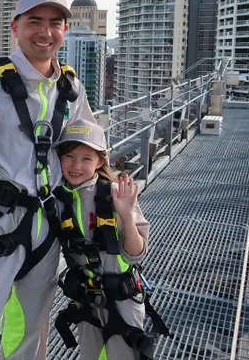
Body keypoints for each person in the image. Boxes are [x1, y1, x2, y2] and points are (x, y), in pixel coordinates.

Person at [0, 0, 97, 359]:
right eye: (34, 21)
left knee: (30, 328)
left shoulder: (70, 87)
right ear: (15, 27)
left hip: (47, 229)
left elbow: (90, 150)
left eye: (55, 23)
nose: (45, 32)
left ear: (65, 31)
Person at [50, 119, 169, 359]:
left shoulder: (113, 195)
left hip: (122, 299)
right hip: (88, 299)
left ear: (100, 162)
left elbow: (136, 254)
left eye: (86, 158)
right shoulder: (58, 198)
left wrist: (126, 216)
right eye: (69, 156)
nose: (76, 166)